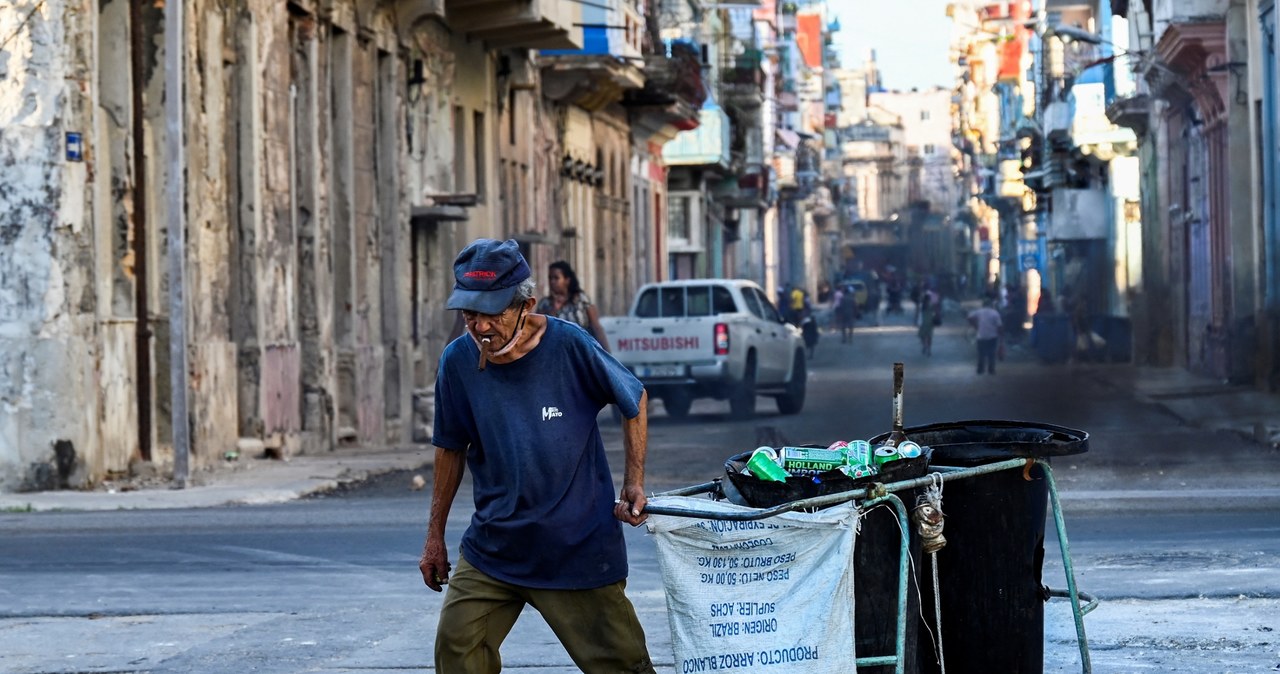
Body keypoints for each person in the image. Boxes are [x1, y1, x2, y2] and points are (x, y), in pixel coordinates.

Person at [419, 239, 656, 674]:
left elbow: (634, 398)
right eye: (470, 314)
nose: (479, 326)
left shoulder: (569, 346)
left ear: (526, 305)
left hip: (576, 546)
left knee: (622, 665)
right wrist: (434, 536)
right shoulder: (456, 362)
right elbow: (450, 447)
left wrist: (634, 481)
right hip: (496, 545)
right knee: (457, 651)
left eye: (492, 313)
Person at [535, 260, 611, 352]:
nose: (552, 282)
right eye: (550, 278)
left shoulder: (581, 300)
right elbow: (538, 329)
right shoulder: (545, 304)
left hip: (582, 349)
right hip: (557, 352)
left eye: (556, 278)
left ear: (567, 280)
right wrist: (554, 309)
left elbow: (596, 327)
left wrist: (607, 352)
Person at [967, 298, 1003, 375]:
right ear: (991, 305)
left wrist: (975, 326)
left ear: (983, 305)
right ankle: (991, 369)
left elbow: (969, 317)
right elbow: (999, 326)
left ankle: (980, 369)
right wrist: (1001, 338)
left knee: (981, 353)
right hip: (992, 336)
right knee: (991, 353)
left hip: (981, 336)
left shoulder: (979, 312)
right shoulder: (995, 313)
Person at [918, 291, 938, 356]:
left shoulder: (923, 303)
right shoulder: (931, 303)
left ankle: (925, 346)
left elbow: (919, 312)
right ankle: (928, 349)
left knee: (923, 336)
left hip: (925, 322)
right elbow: (936, 310)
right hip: (929, 321)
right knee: (929, 336)